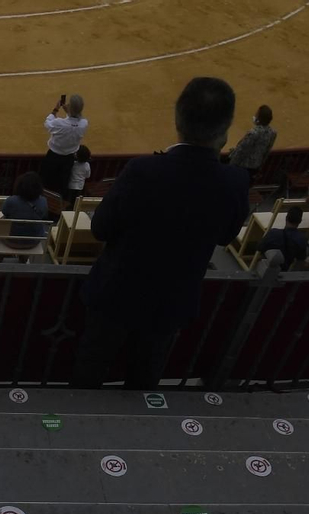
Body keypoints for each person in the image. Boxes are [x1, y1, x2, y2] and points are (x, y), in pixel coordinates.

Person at [72, 77, 248, 389]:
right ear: (225, 129)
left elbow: (100, 229)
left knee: (89, 374)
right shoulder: (233, 182)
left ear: (177, 119)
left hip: (117, 294)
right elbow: (224, 235)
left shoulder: (143, 171)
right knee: (145, 380)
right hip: (171, 303)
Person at [42, 94, 89, 198]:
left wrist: (55, 109)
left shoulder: (59, 123)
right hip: (68, 159)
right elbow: (76, 122)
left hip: (53, 156)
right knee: (62, 183)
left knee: (47, 182)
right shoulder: (84, 124)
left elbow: (47, 123)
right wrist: (69, 112)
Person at [0, 171, 52, 253]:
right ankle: (23, 257)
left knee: (1, 221)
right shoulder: (43, 201)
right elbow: (43, 215)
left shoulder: (11, 201)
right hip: (33, 241)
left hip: (11, 241)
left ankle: (0, 256)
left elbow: (4, 211)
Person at [226, 104, 276, 177]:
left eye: (257, 114)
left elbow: (242, 150)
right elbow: (267, 150)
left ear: (259, 118)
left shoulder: (253, 133)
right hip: (255, 166)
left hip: (243, 166)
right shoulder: (272, 133)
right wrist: (260, 165)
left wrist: (231, 164)